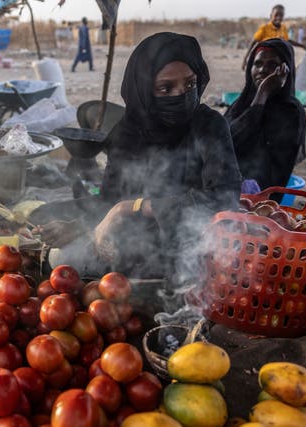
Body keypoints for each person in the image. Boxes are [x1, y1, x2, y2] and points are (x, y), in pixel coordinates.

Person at [33, 32, 242, 281]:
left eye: (190, 84)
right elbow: (110, 198)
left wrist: (132, 207)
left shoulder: (209, 126)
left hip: (191, 251)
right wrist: (80, 226)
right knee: (58, 256)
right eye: (166, 88)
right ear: (143, 90)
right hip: (131, 241)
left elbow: (224, 197)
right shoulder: (128, 132)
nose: (182, 96)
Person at [225, 38, 306, 193]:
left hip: (261, 198)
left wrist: (263, 93)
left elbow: (270, 169)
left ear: (285, 71)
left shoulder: (291, 111)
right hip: (225, 189)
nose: (262, 70)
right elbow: (224, 144)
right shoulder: (241, 103)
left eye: (272, 65)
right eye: (258, 64)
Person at [242, 4, 306, 70]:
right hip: (265, 62)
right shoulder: (264, 28)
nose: (278, 17)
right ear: (271, 16)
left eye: (281, 15)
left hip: (278, 62)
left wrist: (302, 46)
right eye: (276, 15)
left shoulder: (283, 28)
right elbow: (254, 42)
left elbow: (287, 41)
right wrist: (245, 59)